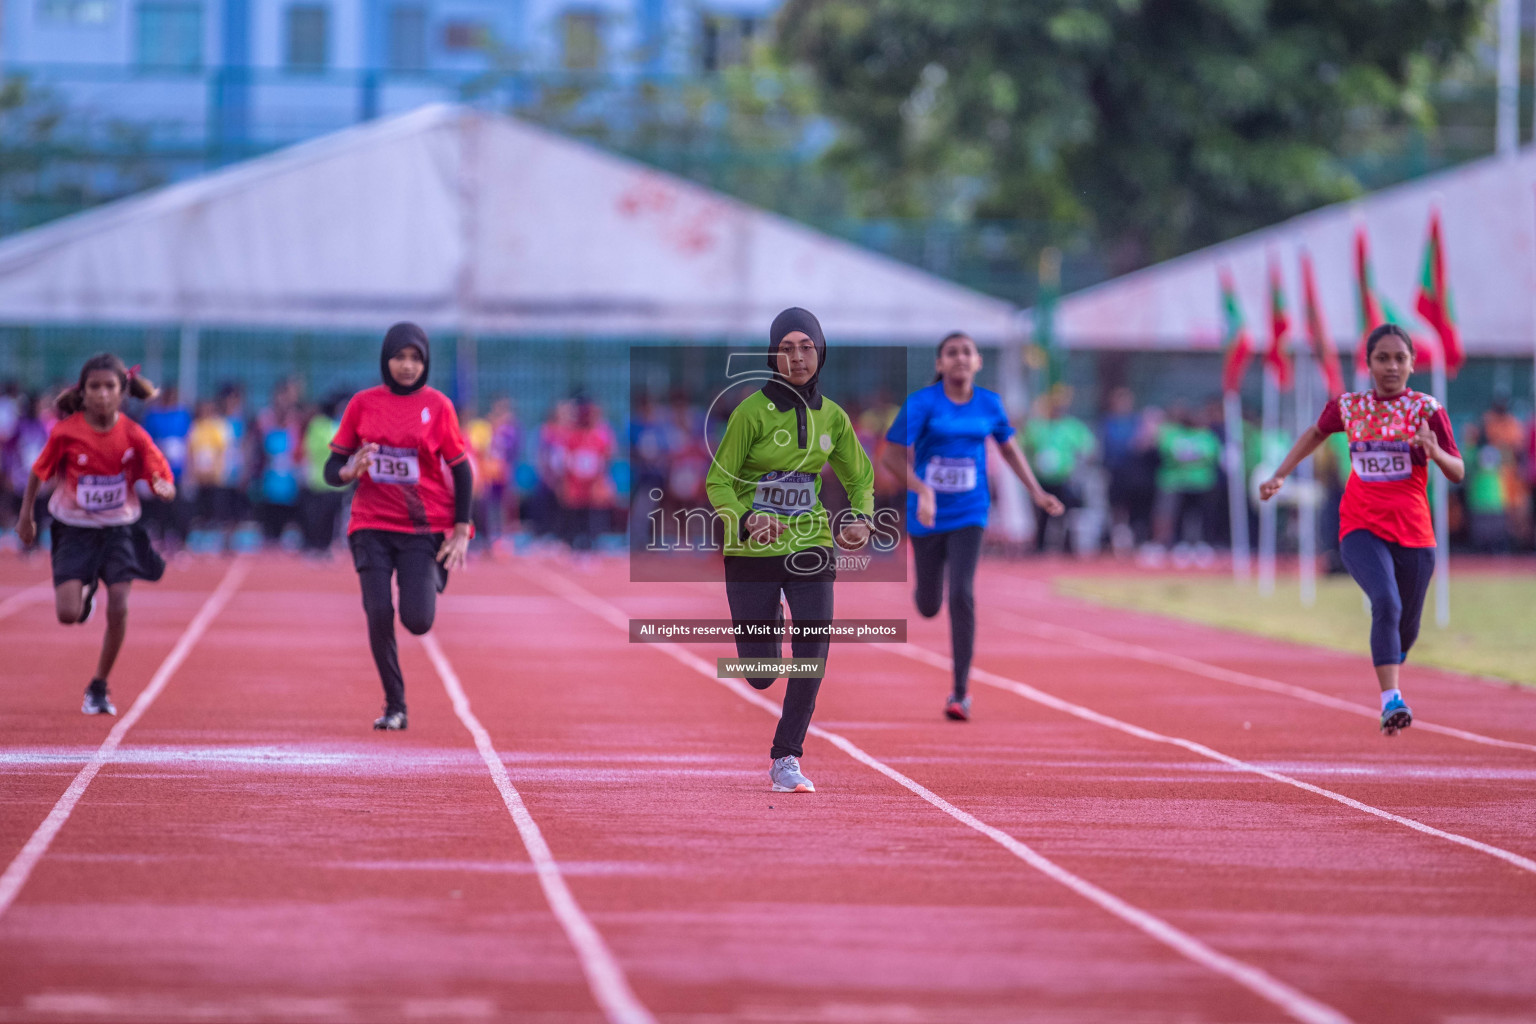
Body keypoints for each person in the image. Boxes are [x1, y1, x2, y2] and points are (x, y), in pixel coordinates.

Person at [1261, 324, 1463, 736]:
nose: (1391, 366)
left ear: (1411, 363)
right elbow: (1316, 432)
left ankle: (1392, 658)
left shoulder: (1427, 409)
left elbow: (1458, 472)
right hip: (1360, 527)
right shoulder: (1349, 407)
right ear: (1368, 363)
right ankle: (1392, 701)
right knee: (1385, 603)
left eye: (1399, 358)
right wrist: (1281, 474)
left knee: (1406, 626)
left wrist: (1434, 450)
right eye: (1382, 358)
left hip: (1414, 533)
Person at [705, 307, 874, 794]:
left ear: (820, 352)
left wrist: (861, 518)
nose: (798, 357)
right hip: (750, 551)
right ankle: (768, 624)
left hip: (812, 543)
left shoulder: (834, 418)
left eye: (806, 346)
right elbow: (718, 481)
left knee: (813, 652)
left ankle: (786, 758)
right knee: (760, 674)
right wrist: (744, 517)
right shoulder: (750, 412)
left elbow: (859, 476)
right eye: (787, 347)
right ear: (773, 355)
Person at [881, 332, 1064, 721]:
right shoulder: (922, 404)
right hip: (927, 515)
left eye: (967, 352)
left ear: (978, 361)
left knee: (962, 593)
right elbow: (891, 457)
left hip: (970, 511)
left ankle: (960, 692)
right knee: (930, 605)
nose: (960, 358)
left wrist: (1036, 492)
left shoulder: (989, 404)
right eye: (952, 353)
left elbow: (1009, 449)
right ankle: (925, 591)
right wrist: (922, 490)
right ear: (940, 364)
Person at [324, 323, 473, 730]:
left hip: (421, 528)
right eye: (399, 357)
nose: (407, 366)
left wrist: (461, 530)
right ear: (385, 360)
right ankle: (395, 704)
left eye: (415, 358)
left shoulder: (439, 407)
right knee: (377, 611)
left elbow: (462, 473)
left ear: (425, 363)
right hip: (370, 524)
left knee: (418, 620)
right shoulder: (362, 404)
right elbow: (330, 468)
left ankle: (432, 573)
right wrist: (350, 469)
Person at [16, 355, 175, 715]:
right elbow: (38, 472)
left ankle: (99, 685)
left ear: (122, 393)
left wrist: (164, 487)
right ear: (83, 393)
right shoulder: (66, 431)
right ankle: (85, 593)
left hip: (119, 528)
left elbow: (159, 473)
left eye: (110, 387)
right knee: (68, 614)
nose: (102, 394)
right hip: (73, 528)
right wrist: (26, 518)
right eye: (95, 387)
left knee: (119, 604)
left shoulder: (134, 434)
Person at [1023, 385, 1095, 553]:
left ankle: (1065, 547)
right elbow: (1024, 444)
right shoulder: (1037, 425)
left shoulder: (1072, 427)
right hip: (1041, 478)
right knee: (1041, 516)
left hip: (1063, 478)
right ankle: (1040, 547)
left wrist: (1078, 466)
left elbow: (1088, 447)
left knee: (1065, 514)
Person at [301, 393, 347, 555]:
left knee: (332, 516)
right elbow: (314, 448)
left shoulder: (340, 424)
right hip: (320, 479)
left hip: (339, 480)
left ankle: (326, 547)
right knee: (318, 516)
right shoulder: (318, 424)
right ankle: (315, 546)